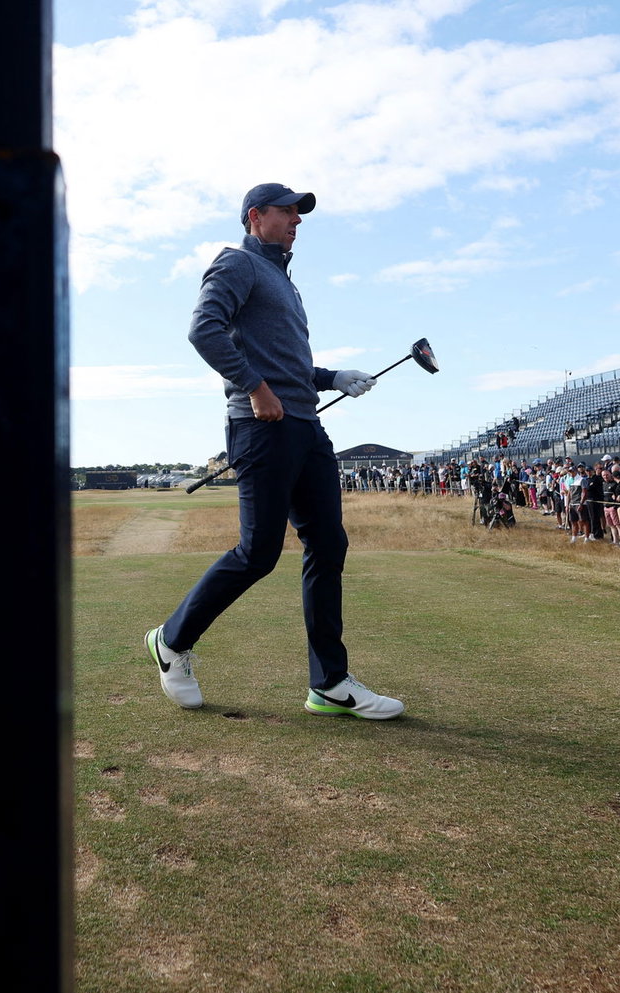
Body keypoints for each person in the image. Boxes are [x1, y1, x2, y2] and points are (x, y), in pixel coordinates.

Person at [145, 182, 403, 720]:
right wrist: (255, 388)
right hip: (261, 426)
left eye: (298, 213)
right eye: (287, 211)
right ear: (255, 216)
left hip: (306, 426)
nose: (296, 220)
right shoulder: (238, 263)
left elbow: (288, 364)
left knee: (328, 544)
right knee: (258, 553)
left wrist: (333, 377)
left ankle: (329, 683)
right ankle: (171, 640)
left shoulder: (284, 281)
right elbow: (203, 330)